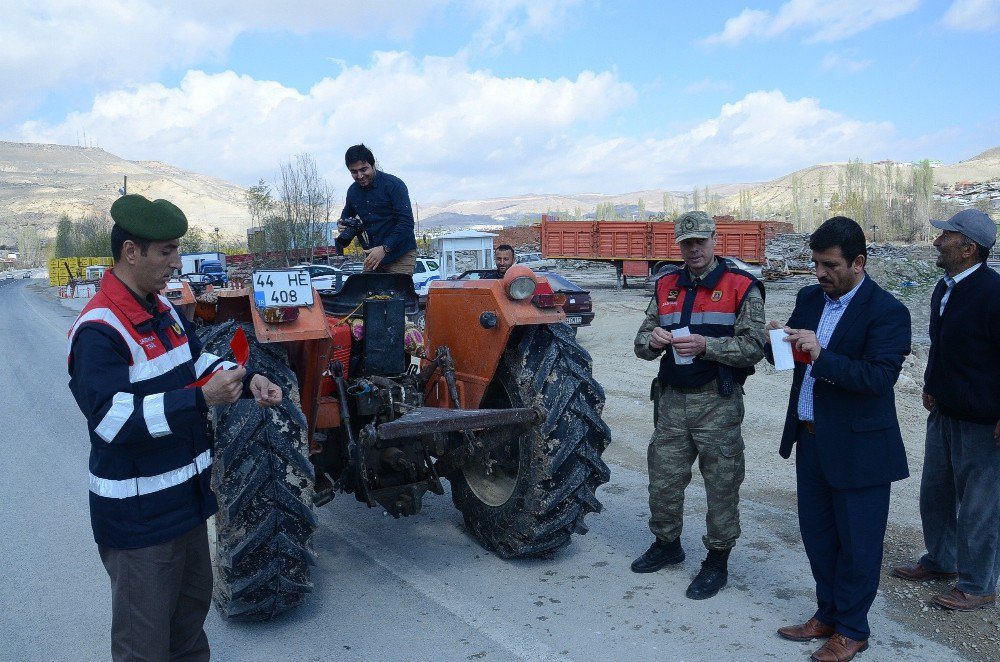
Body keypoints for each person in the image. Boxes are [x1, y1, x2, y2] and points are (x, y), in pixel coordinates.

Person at [67, 194, 283, 661]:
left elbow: (196, 360)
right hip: (140, 522)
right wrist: (199, 399)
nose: (176, 262)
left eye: (176, 249)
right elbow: (111, 419)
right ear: (131, 252)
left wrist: (248, 380)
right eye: (165, 251)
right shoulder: (99, 330)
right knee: (144, 648)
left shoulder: (160, 310)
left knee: (187, 637)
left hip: (185, 509)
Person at [768, 216, 910, 662]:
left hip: (861, 450)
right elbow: (791, 361)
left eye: (829, 265)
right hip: (811, 443)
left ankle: (852, 629)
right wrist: (777, 340)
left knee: (859, 545)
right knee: (819, 538)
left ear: (858, 262)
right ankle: (827, 613)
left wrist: (822, 355)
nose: (820, 273)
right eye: (815, 263)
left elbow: (878, 378)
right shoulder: (810, 298)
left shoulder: (888, 311)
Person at [632, 210, 766, 601]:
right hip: (671, 400)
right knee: (664, 480)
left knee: (722, 485)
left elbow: (755, 348)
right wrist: (653, 341)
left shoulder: (742, 285)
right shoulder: (666, 284)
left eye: (700, 241)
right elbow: (640, 344)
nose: (693, 249)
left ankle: (717, 560)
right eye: (686, 243)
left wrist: (709, 346)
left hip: (716, 402)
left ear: (713, 240)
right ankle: (667, 544)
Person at [891, 209, 999, 612]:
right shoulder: (945, 288)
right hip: (946, 411)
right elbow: (942, 345)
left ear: (969, 248)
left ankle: (978, 584)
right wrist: (932, 385)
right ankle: (941, 560)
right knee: (936, 493)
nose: (937, 241)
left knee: (980, 507)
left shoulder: (993, 293)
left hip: (985, 422)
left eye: (946, 236)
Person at [338, 144, 418, 275]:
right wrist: (342, 224)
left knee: (397, 294)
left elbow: (406, 223)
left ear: (373, 165)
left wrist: (385, 248)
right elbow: (346, 215)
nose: (360, 176)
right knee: (364, 293)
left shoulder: (394, 185)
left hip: (401, 253)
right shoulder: (353, 191)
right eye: (354, 172)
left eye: (364, 169)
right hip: (373, 255)